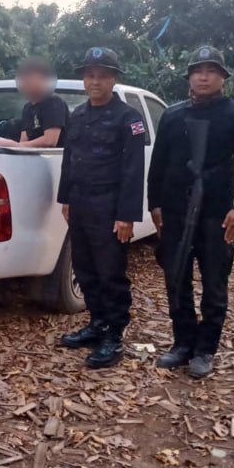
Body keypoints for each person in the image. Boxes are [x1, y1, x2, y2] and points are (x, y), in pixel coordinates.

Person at [150, 45, 234, 378]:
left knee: (214, 282)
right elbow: (157, 165)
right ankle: (182, 343)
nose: (204, 77)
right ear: (189, 77)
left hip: (217, 213)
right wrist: (154, 204)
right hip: (175, 212)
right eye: (198, 71)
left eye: (211, 71)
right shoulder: (172, 115)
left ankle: (205, 350)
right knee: (176, 279)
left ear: (223, 78)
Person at [57, 47, 146, 369]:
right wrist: (65, 198)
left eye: (102, 76)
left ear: (114, 79)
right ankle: (97, 324)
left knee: (110, 272)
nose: (95, 81)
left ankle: (114, 336)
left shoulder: (129, 119)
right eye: (90, 75)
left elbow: (134, 170)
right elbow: (69, 159)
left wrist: (126, 215)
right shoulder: (78, 114)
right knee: (84, 267)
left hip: (109, 205)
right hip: (80, 202)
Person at [0, 56, 68, 148]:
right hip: (31, 154)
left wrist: (17, 146)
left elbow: (50, 141)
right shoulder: (28, 107)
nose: (27, 82)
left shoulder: (54, 102)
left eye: (31, 78)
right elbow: (24, 139)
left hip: (54, 155)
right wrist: (17, 146)